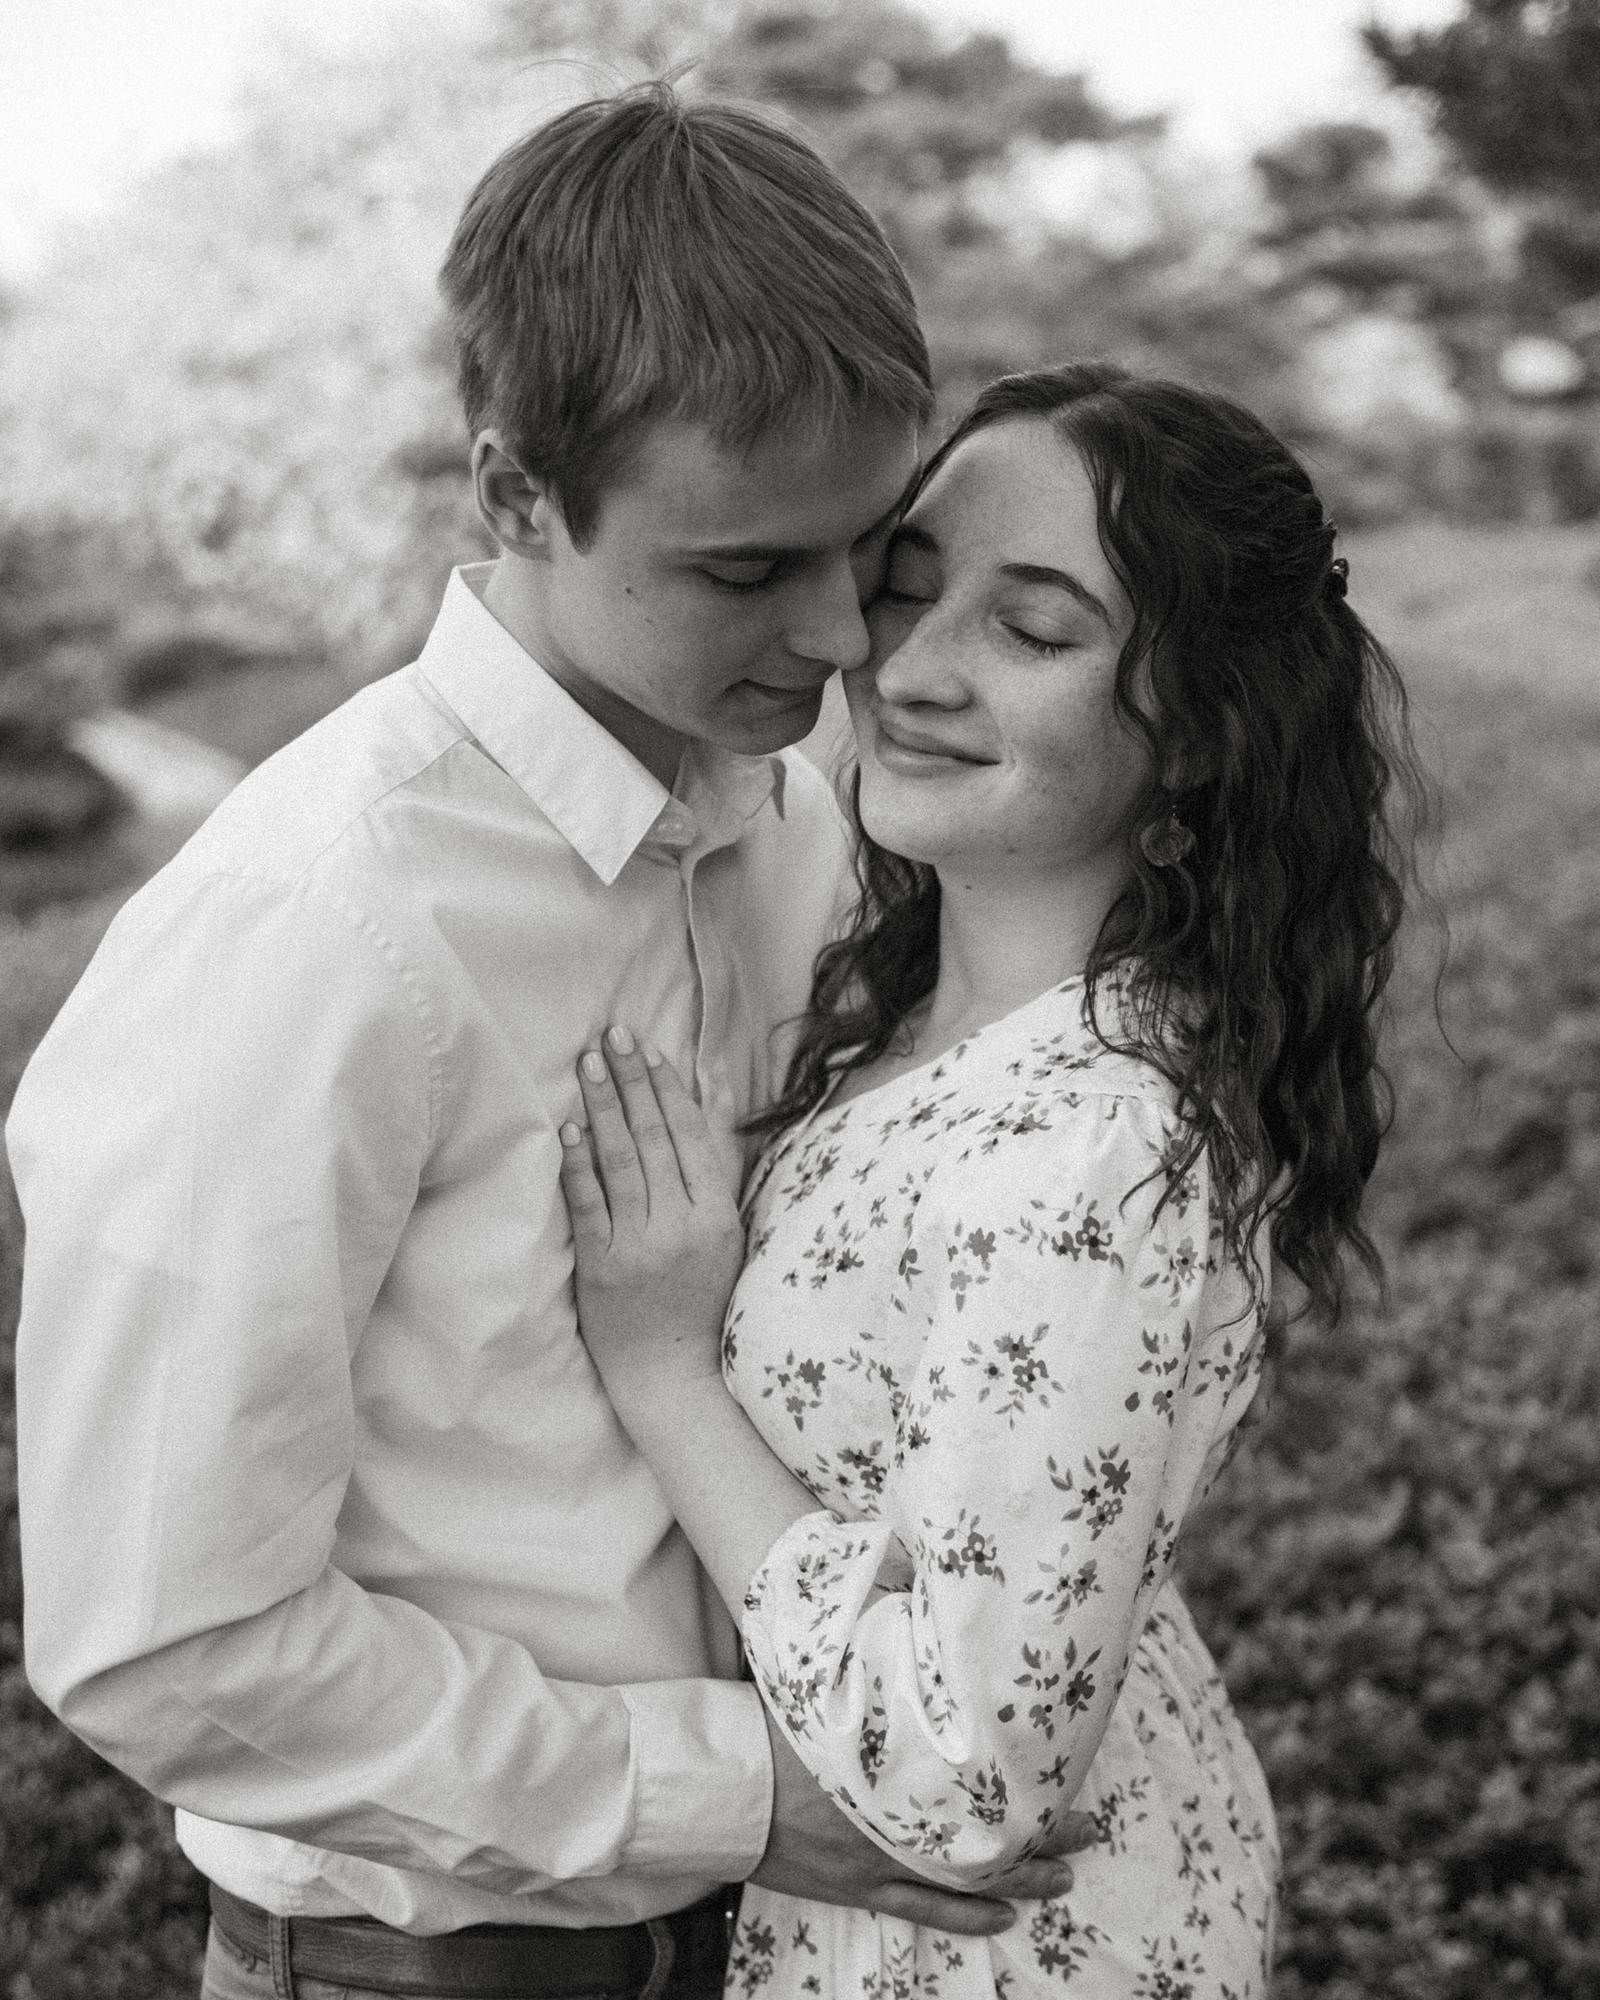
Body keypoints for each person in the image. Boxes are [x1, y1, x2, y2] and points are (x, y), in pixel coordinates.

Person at [6, 90, 1091, 2000]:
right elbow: (169, 1642)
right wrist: (735, 1795)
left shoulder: (808, 818)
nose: (844, 638)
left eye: (868, 550)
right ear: (514, 496)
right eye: (746, 571)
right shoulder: (308, 933)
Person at [556, 362, 1427, 1999]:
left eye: (1034, 632)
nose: (911, 668)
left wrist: (663, 1368)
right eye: (903, 589)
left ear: (1202, 733)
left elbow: (962, 1776)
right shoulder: (914, 1013)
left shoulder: (1090, 1147)